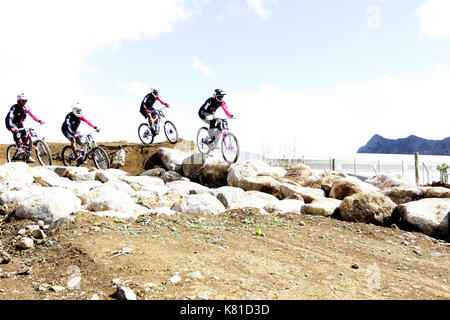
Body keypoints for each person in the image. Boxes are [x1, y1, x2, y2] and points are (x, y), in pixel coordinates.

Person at [5, 93, 45, 163]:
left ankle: (27, 156)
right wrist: (11, 128)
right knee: (17, 134)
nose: (24, 102)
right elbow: (9, 118)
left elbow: (33, 115)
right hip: (12, 123)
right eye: (22, 101)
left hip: (20, 124)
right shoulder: (14, 108)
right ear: (19, 101)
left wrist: (39, 120)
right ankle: (19, 149)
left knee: (25, 138)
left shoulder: (25, 108)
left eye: (25, 101)